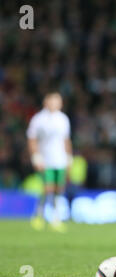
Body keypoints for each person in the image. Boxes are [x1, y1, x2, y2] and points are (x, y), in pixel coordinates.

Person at [27, 91, 73, 233]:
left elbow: (66, 140)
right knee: (48, 187)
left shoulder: (63, 119)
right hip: (45, 159)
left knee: (59, 188)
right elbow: (32, 139)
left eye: (58, 101)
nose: (55, 104)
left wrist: (69, 157)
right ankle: (39, 216)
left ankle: (55, 217)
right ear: (46, 102)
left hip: (60, 159)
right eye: (53, 101)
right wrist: (35, 156)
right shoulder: (38, 119)